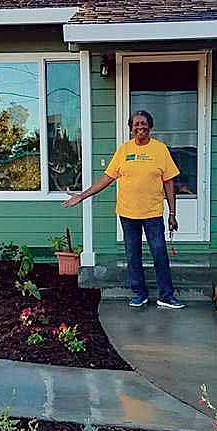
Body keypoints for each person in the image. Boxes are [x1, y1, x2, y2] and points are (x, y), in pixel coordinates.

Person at [62, 110, 185, 309]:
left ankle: (166, 296)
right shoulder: (124, 150)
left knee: (159, 253)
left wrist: (172, 213)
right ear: (131, 128)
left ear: (150, 126)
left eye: (143, 123)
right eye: (136, 124)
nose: (140, 127)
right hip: (127, 214)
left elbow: (169, 182)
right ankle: (139, 294)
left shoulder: (160, 150)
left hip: (153, 213)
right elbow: (106, 178)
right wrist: (82, 195)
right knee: (132, 254)